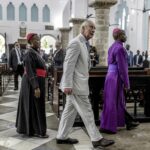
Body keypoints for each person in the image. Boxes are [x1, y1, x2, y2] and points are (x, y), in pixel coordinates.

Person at [56, 20, 114, 149]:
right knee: (87, 111)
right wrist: (67, 84)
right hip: (75, 86)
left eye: (94, 28)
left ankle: (61, 136)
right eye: (91, 28)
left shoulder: (84, 43)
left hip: (78, 84)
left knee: (69, 112)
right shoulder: (75, 43)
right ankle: (96, 138)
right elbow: (68, 65)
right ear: (83, 28)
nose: (93, 30)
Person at [100, 28, 139, 134]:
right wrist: (127, 83)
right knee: (114, 102)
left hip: (109, 76)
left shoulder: (112, 47)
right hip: (116, 77)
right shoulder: (120, 49)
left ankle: (108, 124)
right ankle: (109, 127)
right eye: (123, 34)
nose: (125, 36)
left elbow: (110, 64)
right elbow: (123, 68)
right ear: (119, 36)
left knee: (110, 102)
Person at [16, 33, 49, 138]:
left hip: (38, 81)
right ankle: (38, 131)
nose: (38, 42)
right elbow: (30, 71)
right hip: (32, 83)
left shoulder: (35, 52)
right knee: (34, 106)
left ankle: (35, 129)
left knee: (37, 106)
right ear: (30, 42)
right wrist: (36, 87)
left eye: (39, 40)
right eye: (36, 40)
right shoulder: (29, 53)